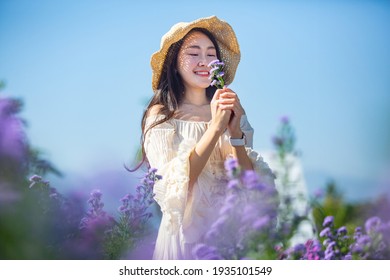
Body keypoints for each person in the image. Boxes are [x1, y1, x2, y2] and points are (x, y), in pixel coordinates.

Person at [140, 15, 275, 259]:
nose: (204, 61)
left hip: (227, 239)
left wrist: (235, 134)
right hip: (184, 241)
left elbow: (248, 184)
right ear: (173, 62)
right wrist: (214, 128)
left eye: (211, 54)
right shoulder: (160, 115)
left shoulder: (229, 109)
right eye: (193, 53)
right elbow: (176, 188)